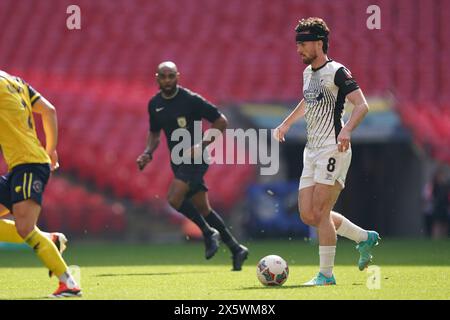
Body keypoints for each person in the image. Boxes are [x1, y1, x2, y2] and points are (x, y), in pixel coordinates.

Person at [274, 17, 380, 286]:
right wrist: (287, 122)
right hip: (312, 150)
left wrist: (347, 130)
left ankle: (326, 275)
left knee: (321, 212)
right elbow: (308, 101)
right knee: (307, 215)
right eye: (297, 44)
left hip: (334, 147)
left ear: (319, 43)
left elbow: (362, 105)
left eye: (303, 44)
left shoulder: (338, 71)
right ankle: (363, 237)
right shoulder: (308, 73)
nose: (298, 50)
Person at [136, 61, 249, 271]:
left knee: (173, 198)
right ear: (157, 78)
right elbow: (154, 133)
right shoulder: (154, 104)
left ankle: (207, 233)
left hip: (197, 159)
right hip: (178, 161)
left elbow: (221, 121)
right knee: (203, 208)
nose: (167, 80)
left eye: (171, 76)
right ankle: (236, 249)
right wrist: (147, 152)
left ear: (178, 77)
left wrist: (202, 144)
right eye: (163, 76)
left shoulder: (190, 100)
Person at [0, 70, 82, 297]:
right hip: (25, 164)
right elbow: (49, 110)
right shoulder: (15, 81)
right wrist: (51, 149)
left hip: (29, 165)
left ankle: (70, 284)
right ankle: (50, 240)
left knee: (25, 228)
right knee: (25, 228)